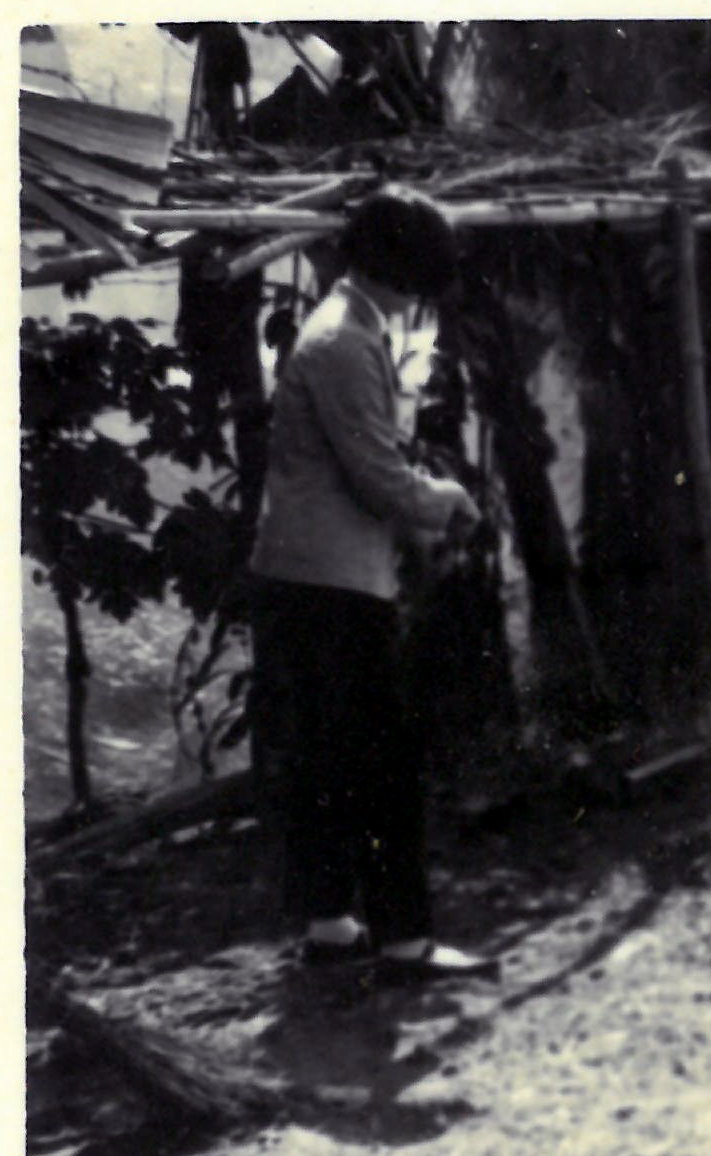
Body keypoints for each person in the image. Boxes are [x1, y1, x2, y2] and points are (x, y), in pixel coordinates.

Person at [248, 188, 493, 981]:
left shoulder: (343, 329)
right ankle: (404, 943)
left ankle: (330, 926)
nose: (420, 296)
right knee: (384, 760)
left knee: (323, 760)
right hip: (334, 585)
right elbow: (378, 476)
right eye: (418, 278)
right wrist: (447, 503)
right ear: (395, 268)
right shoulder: (346, 343)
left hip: (305, 574)